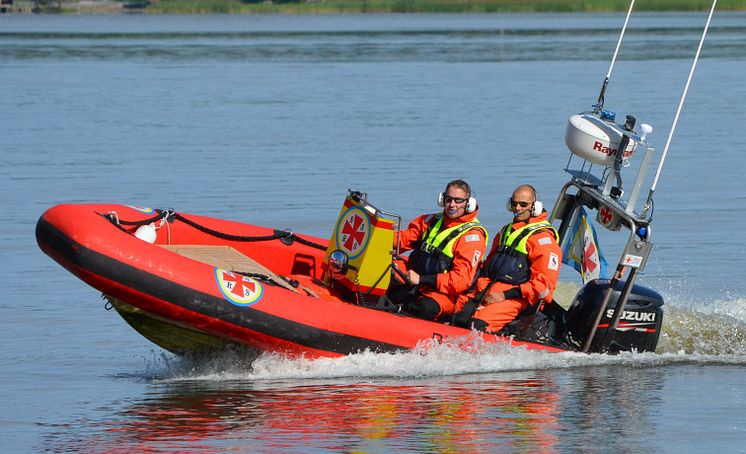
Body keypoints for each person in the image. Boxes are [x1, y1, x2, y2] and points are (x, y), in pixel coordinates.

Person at [455, 184, 561, 333]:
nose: (517, 208)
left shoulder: (543, 240)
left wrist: (503, 295)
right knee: (455, 314)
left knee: (476, 325)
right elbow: (488, 265)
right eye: (514, 203)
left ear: (535, 207)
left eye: (523, 204)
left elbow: (543, 286)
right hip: (487, 289)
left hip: (517, 298)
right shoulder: (505, 232)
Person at [389, 179, 488, 322]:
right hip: (417, 280)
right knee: (385, 275)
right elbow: (403, 239)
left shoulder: (472, 237)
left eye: (458, 200)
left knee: (424, 308)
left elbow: (460, 281)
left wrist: (422, 279)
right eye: (449, 199)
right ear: (442, 199)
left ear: (468, 204)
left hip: (446, 293)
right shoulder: (431, 220)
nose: (452, 205)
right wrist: (378, 234)